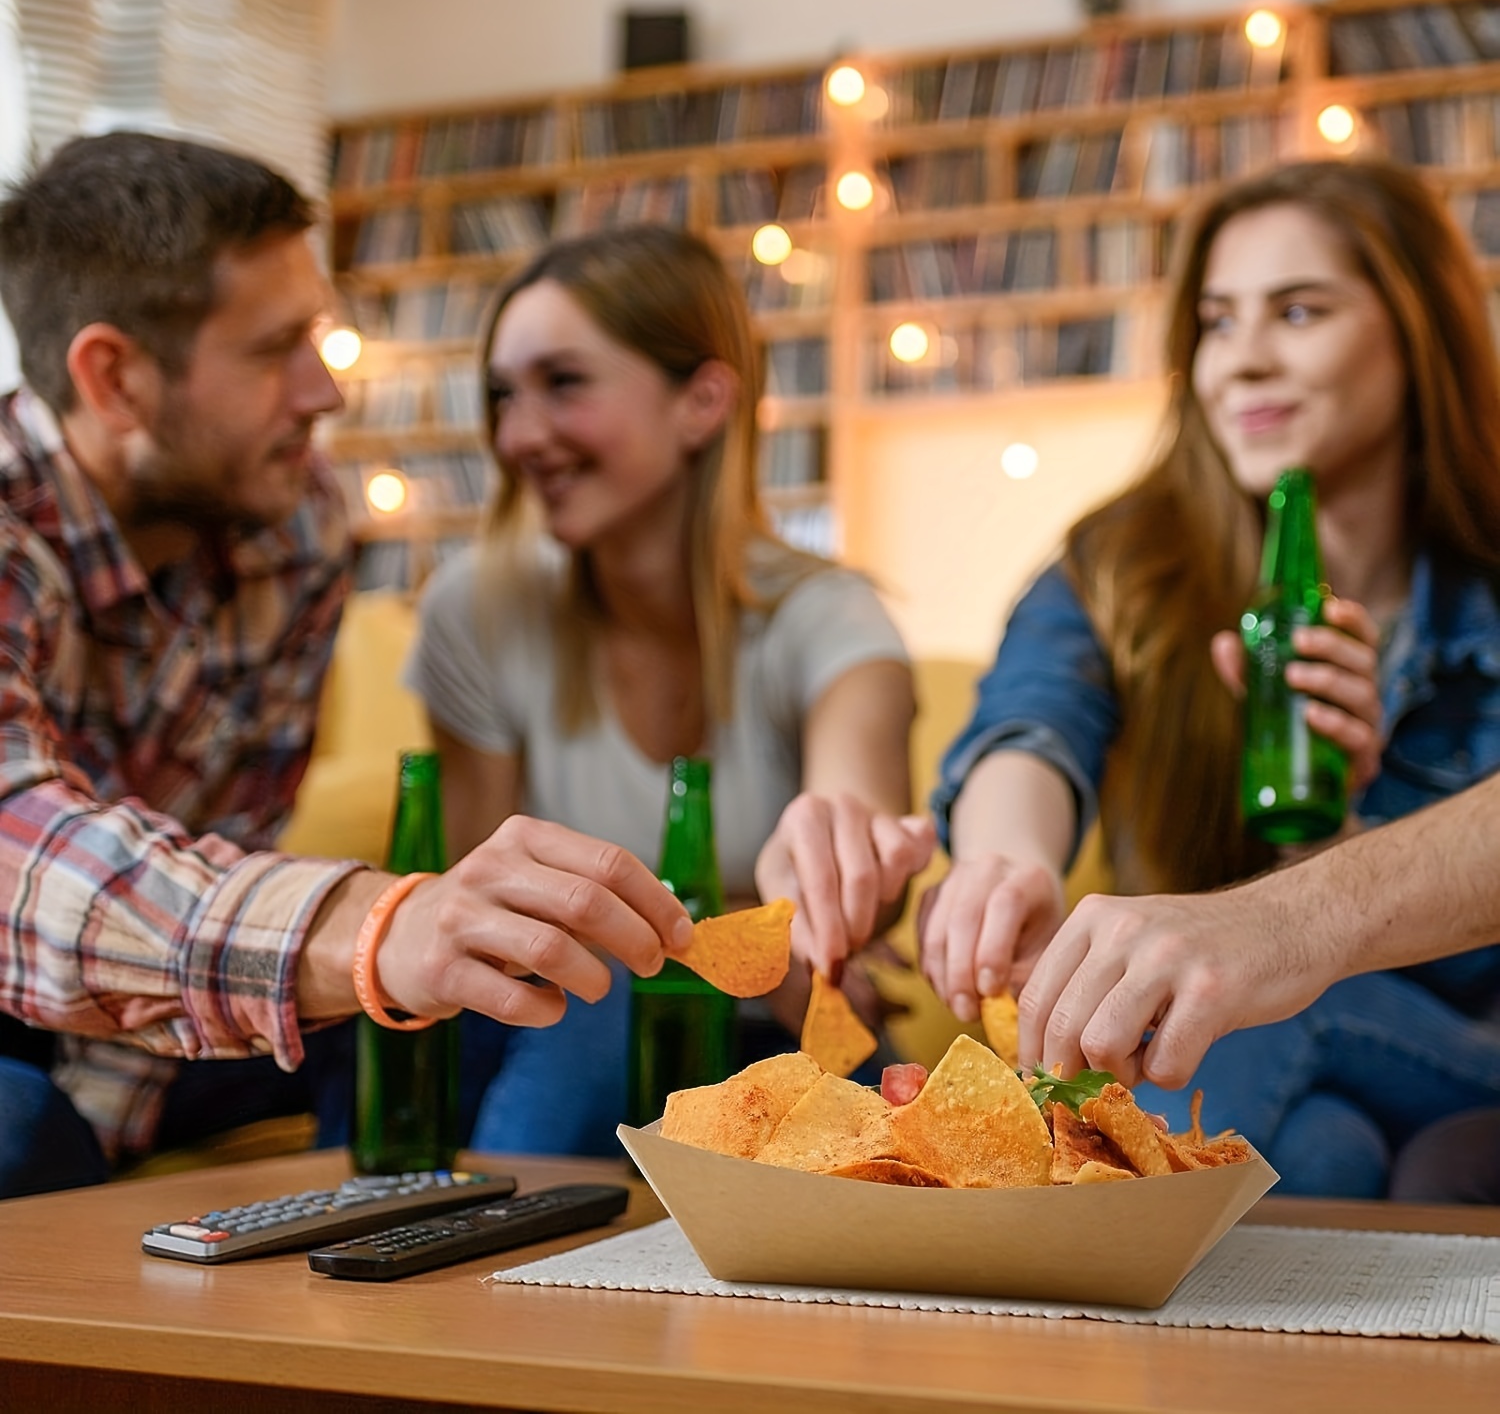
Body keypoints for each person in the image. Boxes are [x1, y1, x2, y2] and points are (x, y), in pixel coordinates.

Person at [0, 132, 696, 1198]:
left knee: (528, 1013)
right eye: (276, 349)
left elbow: (236, 836)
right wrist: (372, 928)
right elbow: (15, 846)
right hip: (31, 1018)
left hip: (169, 1019)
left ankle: (470, 1328)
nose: (324, 392)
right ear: (115, 376)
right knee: (22, 1125)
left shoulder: (297, 527)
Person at [920, 157, 1500, 1196]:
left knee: (1255, 1000)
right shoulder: (1124, 561)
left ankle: (1045, 1284)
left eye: (1298, 311)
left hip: (1460, 1045)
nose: (1242, 362)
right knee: (1331, 1153)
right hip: (1304, 1074)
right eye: (1218, 322)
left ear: (1417, 335)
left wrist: (1317, 863)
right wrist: (1010, 867)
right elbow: (1032, 722)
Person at [405, 223, 932, 1155]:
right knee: (603, 1010)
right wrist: (716, 940)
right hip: (556, 1024)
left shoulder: (829, 619)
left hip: (769, 1035)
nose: (518, 436)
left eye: (563, 384)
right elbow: (476, 910)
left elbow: (853, 830)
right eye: (501, 396)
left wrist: (824, 902)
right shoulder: (474, 611)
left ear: (702, 401)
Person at [1015, 772, 1500, 1202]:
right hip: (1319, 1062)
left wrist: (1285, 923)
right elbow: (1040, 710)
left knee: (1268, 1012)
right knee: (1329, 1150)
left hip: (1469, 1027)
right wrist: (1008, 869)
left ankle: (1111, 1232)